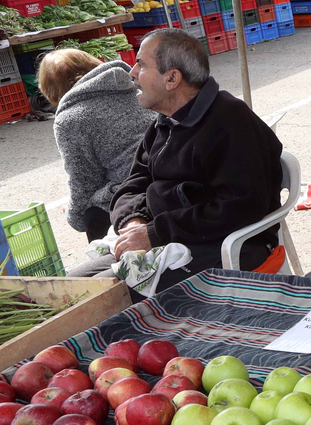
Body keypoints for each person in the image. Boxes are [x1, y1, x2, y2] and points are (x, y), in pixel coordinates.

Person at [67, 28, 284, 293]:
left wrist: (154, 233)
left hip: (228, 245)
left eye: (141, 64)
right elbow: (133, 183)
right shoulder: (166, 122)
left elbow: (241, 206)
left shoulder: (229, 122)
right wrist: (133, 219)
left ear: (172, 78)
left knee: (94, 300)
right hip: (167, 240)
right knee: (69, 286)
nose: (132, 73)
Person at [38, 49, 156, 242]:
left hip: (136, 195)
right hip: (169, 175)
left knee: (90, 214)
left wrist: (74, 216)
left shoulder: (70, 119)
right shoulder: (134, 89)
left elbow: (84, 182)